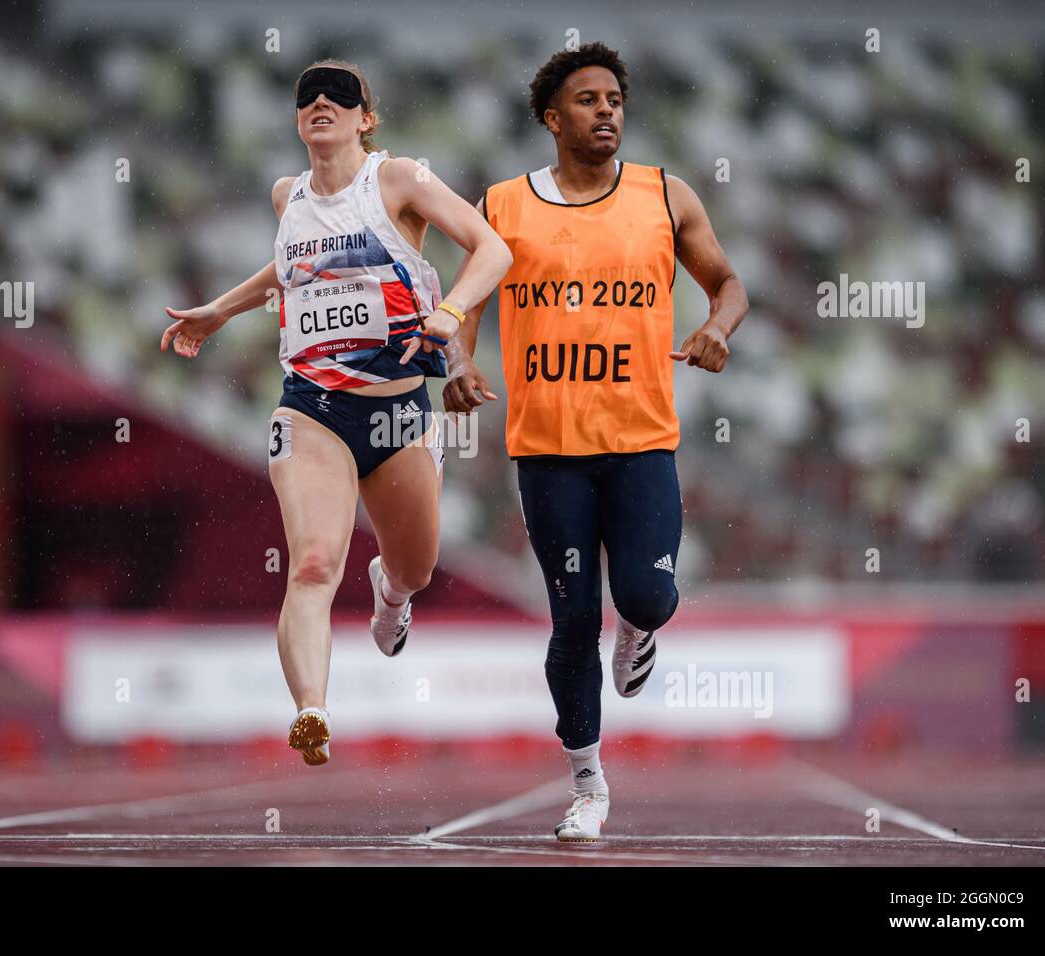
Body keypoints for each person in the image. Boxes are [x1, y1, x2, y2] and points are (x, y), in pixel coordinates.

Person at [161, 60, 512, 766]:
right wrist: (219, 311)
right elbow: (287, 268)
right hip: (312, 409)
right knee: (315, 563)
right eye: (307, 98)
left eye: (340, 97)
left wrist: (447, 313)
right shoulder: (286, 196)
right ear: (297, 121)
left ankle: (391, 594)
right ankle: (312, 709)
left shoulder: (400, 181)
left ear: (365, 118)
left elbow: (493, 248)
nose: (322, 102)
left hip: (398, 415)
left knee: (416, 566)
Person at [445, 43, 748, 840]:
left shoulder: (664, 195)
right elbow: (467, 299)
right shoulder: (503, 204)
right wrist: (457, 359)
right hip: (547, 450)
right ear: (552, 118)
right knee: (572, 620)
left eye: (615, 98)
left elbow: (728, 282)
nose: (607, 110)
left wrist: (717, 326)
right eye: (587, 100)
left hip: (642, 440)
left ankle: (641, 630)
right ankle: (587, 785)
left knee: (643, 597)